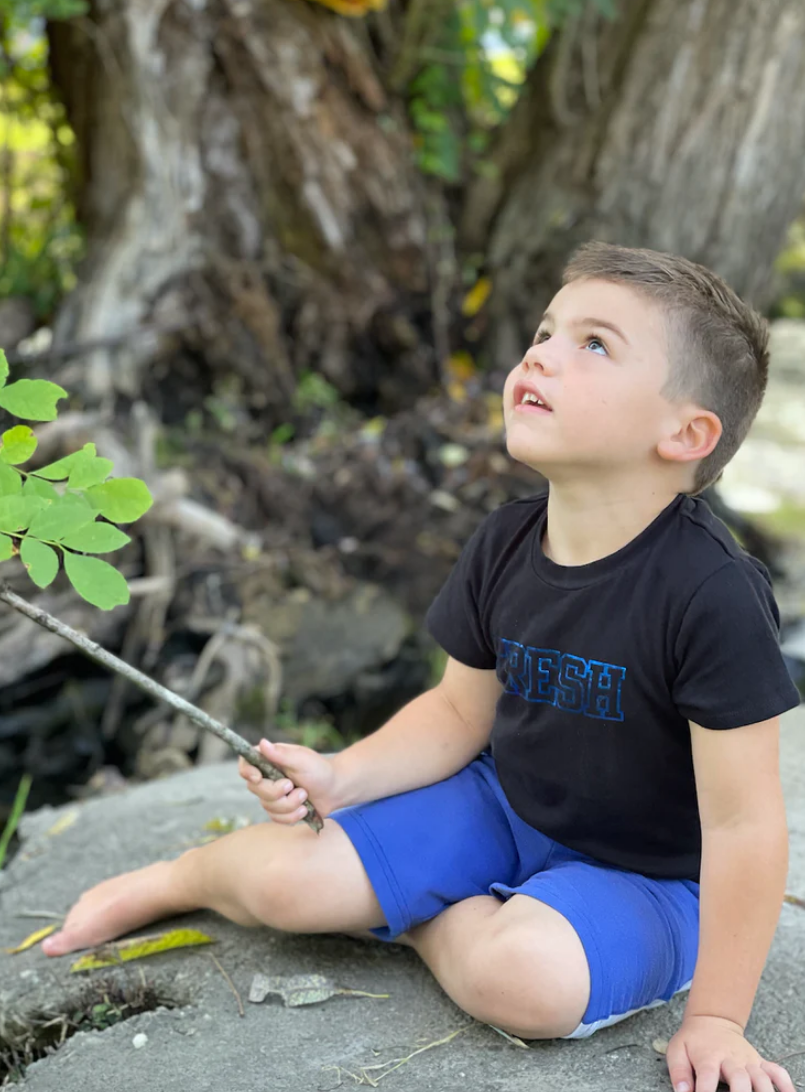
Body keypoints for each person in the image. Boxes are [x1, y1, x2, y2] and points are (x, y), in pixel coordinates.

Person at [43, 243, 801, 1092]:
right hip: (503, 809)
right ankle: (173, 879)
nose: (540, 352)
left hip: (646, 878)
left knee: (527, 982)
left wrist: (717, 1020)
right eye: (546, 330)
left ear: (685, 432)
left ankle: (422, 920)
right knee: (295, 884)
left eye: (594, 344)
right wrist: (342, 775)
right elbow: (454, 715)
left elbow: (745, 826)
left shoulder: (712, 595)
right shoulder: (507, 541)